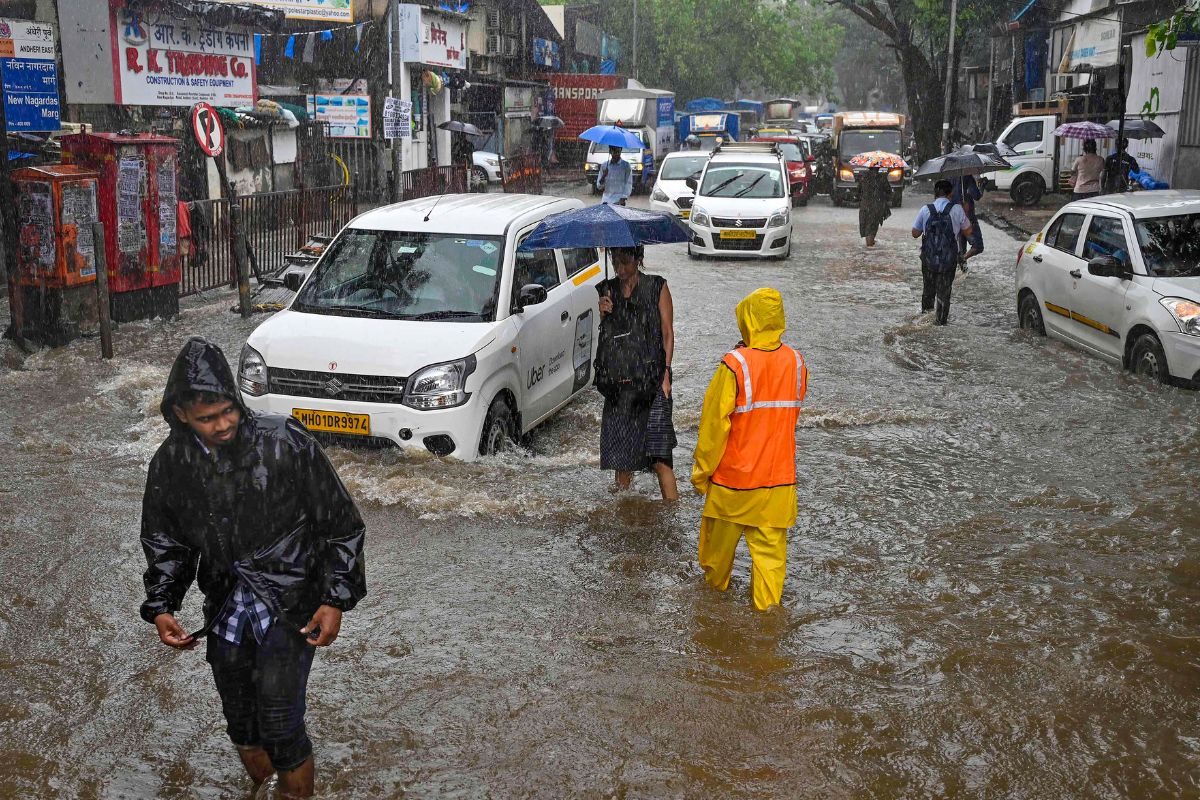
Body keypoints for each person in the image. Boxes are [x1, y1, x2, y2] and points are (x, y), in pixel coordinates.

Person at [139, 337, 367, 798]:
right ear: (181, 415)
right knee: (242, 725)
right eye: (207, 418)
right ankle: (266, 790)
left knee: (282, 727)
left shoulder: (285, 440)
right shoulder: (172, 462)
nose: (222, 425)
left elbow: (340, 524)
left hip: (289, 601)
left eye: (228, 411)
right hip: (224, 606)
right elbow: (167, 539)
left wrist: (334, 599)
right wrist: (162, 605)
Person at [691, 288, 808, 611]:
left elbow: (713, 427)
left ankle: (713, 626)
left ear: (747, 318)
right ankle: (767, 635)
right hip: (778, 486)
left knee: (715, 570)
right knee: (771, 573)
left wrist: (701, 474)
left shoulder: (734, 364)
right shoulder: (797, 363)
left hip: (733, 486)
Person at [595, 246, 678, 500]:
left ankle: (672, 520)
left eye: (625, 262)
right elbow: (608, 338)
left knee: (660, 456)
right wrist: (603, 312)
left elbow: (667, 332)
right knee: (623, 462)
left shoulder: (657, 286)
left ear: (638, 259)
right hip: (620, 385)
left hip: (653, 381)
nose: (620, 268)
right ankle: (623, 514)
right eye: (615, 261)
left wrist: (665, 373)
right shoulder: (607, 290)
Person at [911, 179, 973, 325]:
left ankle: (924, 320)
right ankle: (940, 322)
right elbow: (969, 231)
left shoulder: (925, 209)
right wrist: (966, 212)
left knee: (928, 290)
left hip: (929, 259)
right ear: (950, 193)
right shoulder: (957, 209)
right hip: (949, 259)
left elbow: (915, 233)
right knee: (944, 291)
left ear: (935, 193)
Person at [950, 173, 984, 268]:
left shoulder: (950, 177)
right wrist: (981, 186)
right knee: (978, 246)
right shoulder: (968, 177)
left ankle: (961, 273)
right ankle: (961, 259)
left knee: (961, 249)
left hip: (955, 217)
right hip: (968, 217)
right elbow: (976, 195)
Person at [857, 165, 892, 247]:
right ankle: (870, 250)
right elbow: (889, 191)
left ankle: (869, 246)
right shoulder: (881, 178)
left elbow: (858, 191)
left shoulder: (863, 177)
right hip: (876, 207)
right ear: (878, 167)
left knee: (866, 229)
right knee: (871, 229)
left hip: (864, 206)